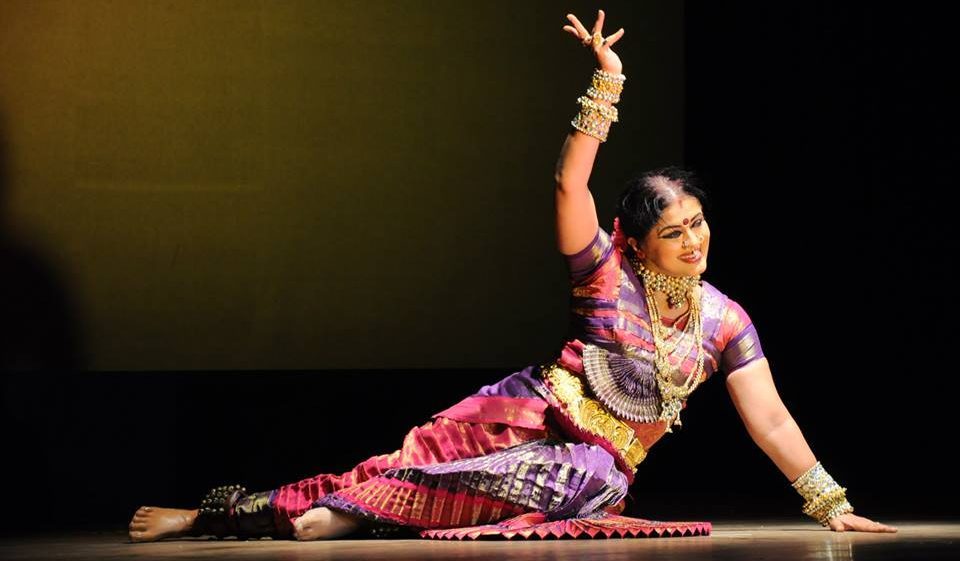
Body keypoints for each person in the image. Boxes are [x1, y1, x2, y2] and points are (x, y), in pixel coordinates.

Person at [128, 10, 897, 542]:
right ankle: (211, 516)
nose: (695, 239)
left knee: (579, 471)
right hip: (519, 411)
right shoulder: (602, 274)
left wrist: (830, 502)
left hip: (589, 467)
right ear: (633, 241)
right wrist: (609, 85)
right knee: (389, 467)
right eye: (673, 230)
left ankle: (341, 521)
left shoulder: (725, 321)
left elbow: (769, 421)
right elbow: (570, 188)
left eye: (697, 222)